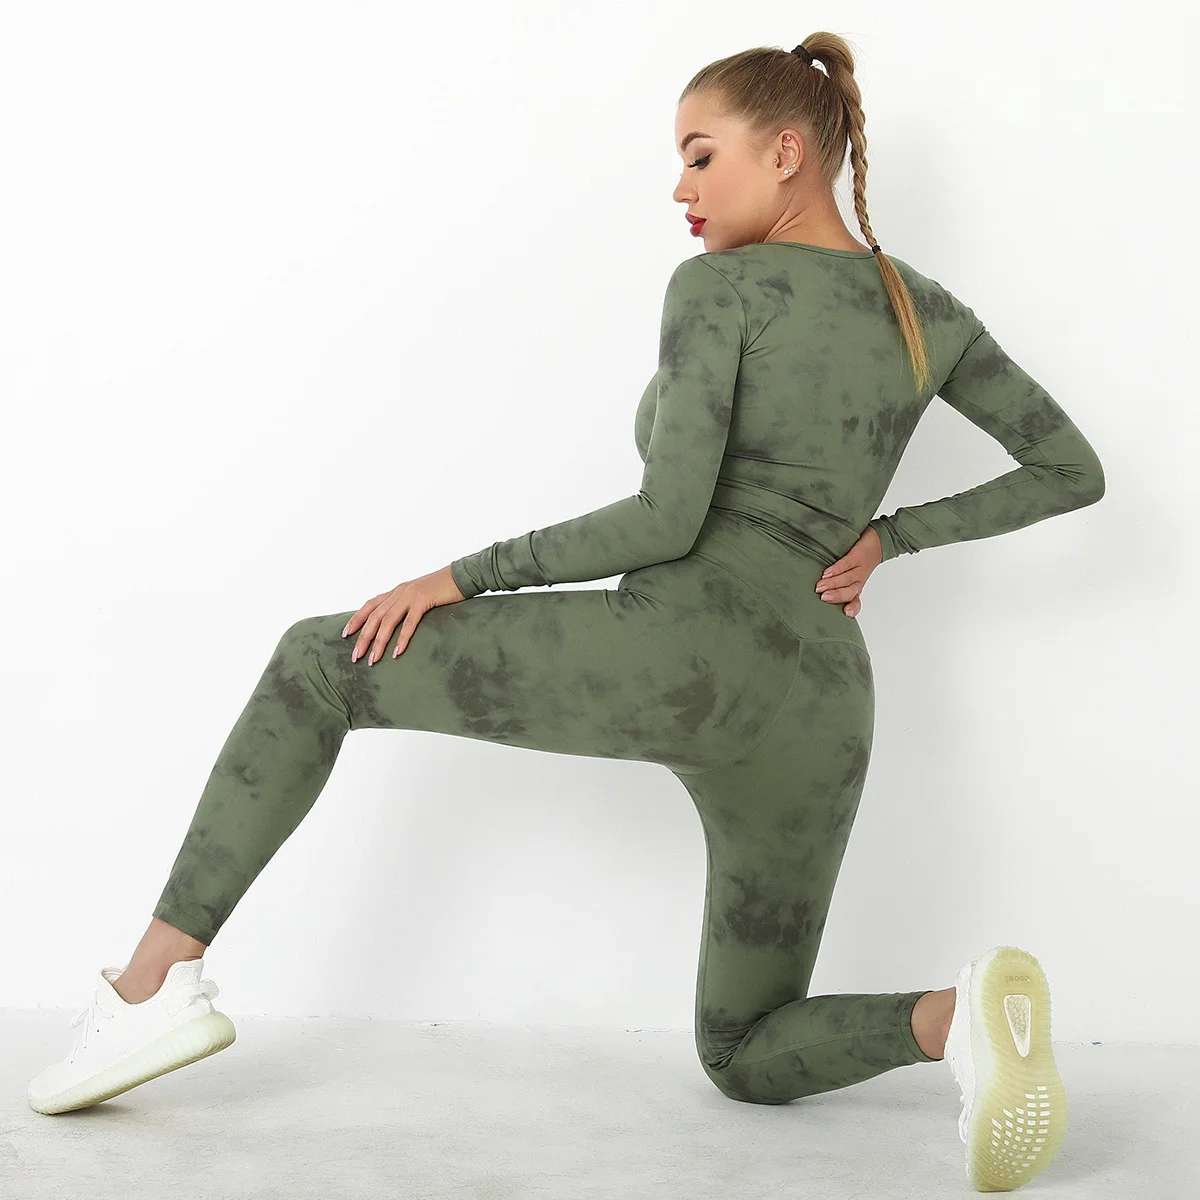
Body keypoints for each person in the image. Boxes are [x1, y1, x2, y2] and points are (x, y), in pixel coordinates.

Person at [29, 32, 1101, 1194]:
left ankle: (150, 987)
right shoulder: (923, 310)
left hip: (685, 656)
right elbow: (1070, 470)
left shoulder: (721, 289)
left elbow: (666, 518)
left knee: (317, 664)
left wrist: (461, 574)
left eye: (701, 155)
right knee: (743, 1048)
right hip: (823, 710)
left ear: (788, 152)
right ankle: (957, 1020)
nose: (681, 189)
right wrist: (888, 537)